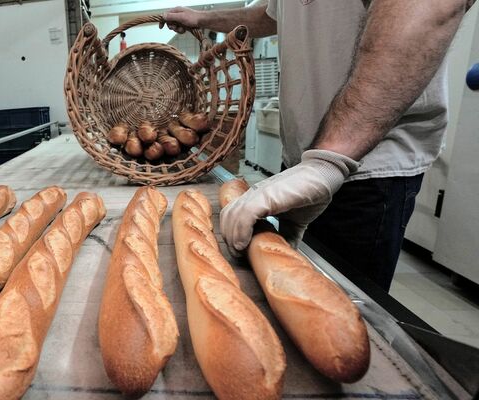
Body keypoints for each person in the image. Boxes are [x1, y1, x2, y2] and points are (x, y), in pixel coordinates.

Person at [162, 0, 473, 291]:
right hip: (302, 165)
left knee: (342, 306)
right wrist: (201, 18)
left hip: (368, 167)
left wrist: (330, 160)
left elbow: (430, 7)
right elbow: (271, 14)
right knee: (287, 286)